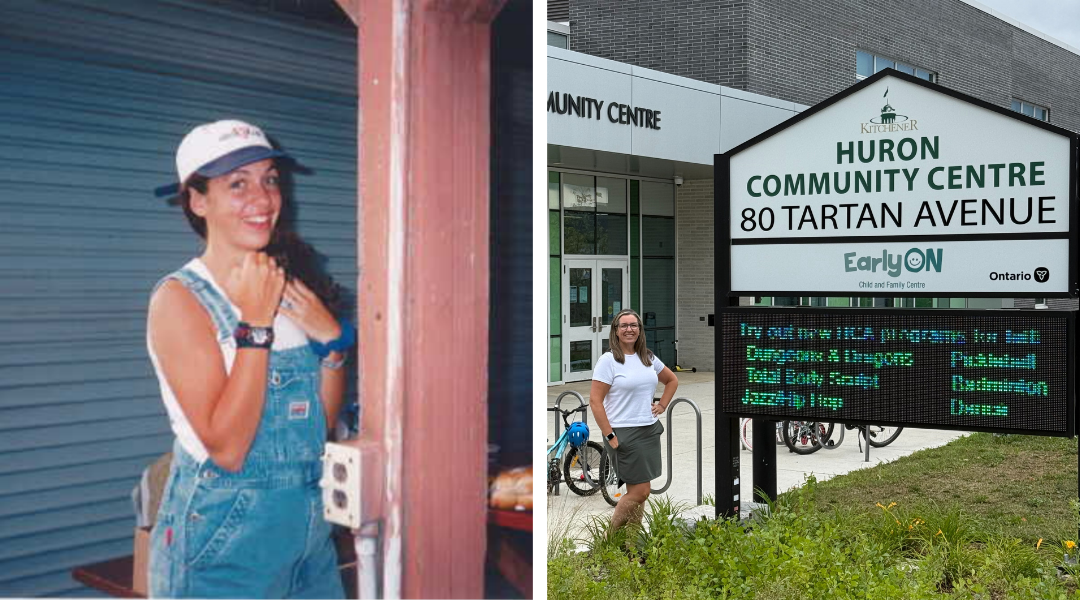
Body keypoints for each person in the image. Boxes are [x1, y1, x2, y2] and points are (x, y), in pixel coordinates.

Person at [146, 119, 354, 598]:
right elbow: (229, 448)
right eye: (237, 184)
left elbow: (314, 429)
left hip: (307, 532)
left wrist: (333, 347)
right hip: (223, 540)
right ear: (198, 201)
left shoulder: (289, 288)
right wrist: (254, 328)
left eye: (269, 180)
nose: (262, 200)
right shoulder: (180, 300)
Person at [590, 309, 679, 532]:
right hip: (623, 432)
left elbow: (672, 380)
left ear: (639, 330)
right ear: (616, 331)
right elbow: (595, 401)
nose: (629, 329)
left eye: (634, 325)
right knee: (640, 492)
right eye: (624, 325)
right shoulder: (608, 360)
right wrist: (609, 434)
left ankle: (632, 546)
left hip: (648, 430)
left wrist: (662, 405)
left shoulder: (647, 357)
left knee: (640, 491)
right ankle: (609, 540)